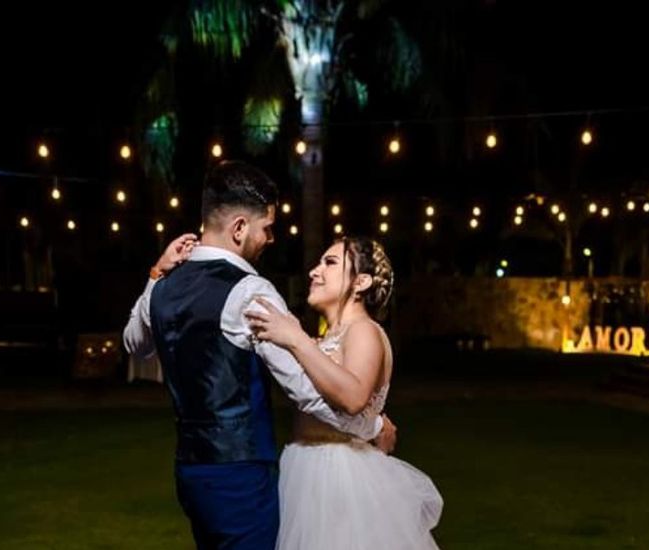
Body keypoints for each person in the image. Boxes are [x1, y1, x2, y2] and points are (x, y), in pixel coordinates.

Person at [123, 161, 396, 550]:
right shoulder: (251, 291)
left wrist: (155, 275)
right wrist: (372, 428)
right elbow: (304, 391)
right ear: (239, 228)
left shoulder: (164, 283)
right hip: (240, 476)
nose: (270, 239)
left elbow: (134, 342)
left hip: (189, 470)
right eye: (267, 228)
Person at [247, 236, 442, 550]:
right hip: (302, 468)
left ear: (361, 281)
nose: (314, 271)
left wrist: (296, 339)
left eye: (330, 262)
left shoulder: (364, 330)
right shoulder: (324, 339)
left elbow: (353, 397)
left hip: (340, 476)